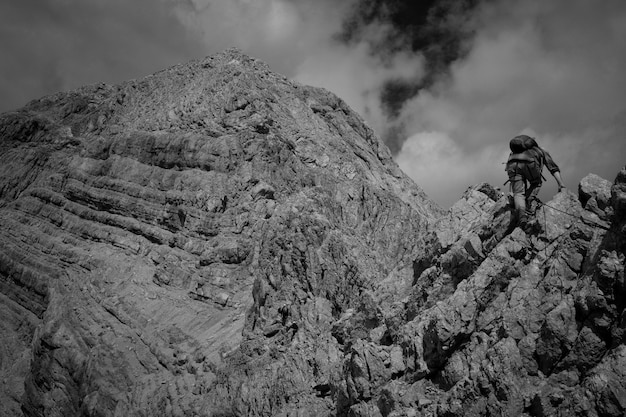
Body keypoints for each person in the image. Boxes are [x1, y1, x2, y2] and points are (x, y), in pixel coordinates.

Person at [505, 135, 565, 228]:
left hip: (512, 164)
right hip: (530, 163)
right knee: (536, 183)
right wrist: (561, 184)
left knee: (518, 193)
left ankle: (522, 216)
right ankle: (528, 202)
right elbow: (552, 168)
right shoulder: (541, 150)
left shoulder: (513, 153)